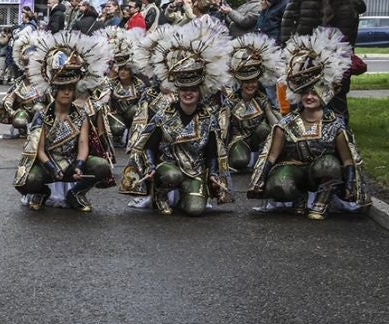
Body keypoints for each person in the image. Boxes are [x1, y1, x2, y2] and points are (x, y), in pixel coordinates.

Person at [250, 31, 371, 217]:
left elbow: (347, 159)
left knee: (329, 165)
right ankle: (298, 196)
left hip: (321, 172)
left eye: (314, 93)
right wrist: (260, 180)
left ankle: (324, 199)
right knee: (280, 184)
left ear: (324, 95)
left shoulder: (336, 124)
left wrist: (350, 184)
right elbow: (272, 155)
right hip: (294, 169)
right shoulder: (286, 124)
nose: (309, 97)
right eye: (305, 93)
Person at [124, 21, 231, 216]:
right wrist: (150, 167)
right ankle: (160, 192)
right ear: (178, 91)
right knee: (171, 174)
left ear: (200, 93)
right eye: (184, 89)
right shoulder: (164, 115)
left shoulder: (209, 118)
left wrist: (214, 175)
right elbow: (149, 145)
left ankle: (186, 194)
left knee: (195, 210)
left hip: (194, 170)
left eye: (192, 90)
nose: (188, 93)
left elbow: (212, 152)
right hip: (169, 167)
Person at [14, 31, 114, 212]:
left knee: (101, 166)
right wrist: (51, 167)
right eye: (62, 89)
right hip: (49, 163)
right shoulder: (43, 115)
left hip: (70, 163)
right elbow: (39, 149)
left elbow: (84, 144)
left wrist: (80, 164)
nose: (67, 92)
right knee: (29, 179)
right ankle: (41, 192)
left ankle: (76, 193)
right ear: (55, 91)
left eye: (70, 88)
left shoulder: (81, 114)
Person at [222, 33, 283, 175]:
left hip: (258, 138)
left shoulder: (262, 100)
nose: (251, 85)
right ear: (240, 83)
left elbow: (275, 125)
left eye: (253, 81)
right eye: (246, 82)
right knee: (239, 161)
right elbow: (224, 129)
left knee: (264, 129)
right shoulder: (231, 101)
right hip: (238, 139)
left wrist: (268, 111)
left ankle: (261, 158)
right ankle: (241, 157)